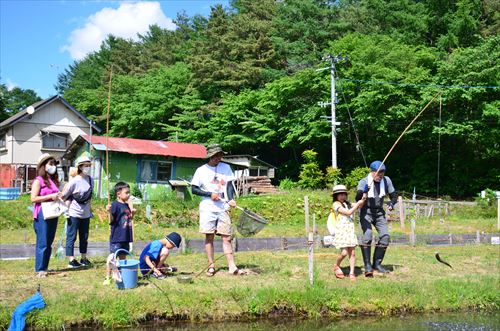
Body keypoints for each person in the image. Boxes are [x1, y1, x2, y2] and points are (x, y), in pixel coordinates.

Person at [191, 144, 243, 276]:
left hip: (223, 207)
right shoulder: (201, 170)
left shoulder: (226, 168)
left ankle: (232, 266)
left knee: (226, 237)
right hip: (208, 208)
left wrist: (230, 198)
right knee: (209, 237)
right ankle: (211, 266)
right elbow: (194, 189)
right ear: (210, 156)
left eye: (219, 155)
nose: (217, 158)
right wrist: (209, 194)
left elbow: (230, 185)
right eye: (215, 156)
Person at [355, 160, 398, 276]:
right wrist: (364, 190)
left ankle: (377, 265)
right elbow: (357, 198)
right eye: (379, 173)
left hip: (379, 213)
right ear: (372, 172)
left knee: (385, 237)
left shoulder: (386, 180)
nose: (381, 176)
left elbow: (394, 196)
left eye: (382, 173)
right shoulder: (364, 181)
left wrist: (391, 203)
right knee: (367, 236)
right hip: (366, 212)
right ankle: (368, 265)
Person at [30, 153, 62, 277]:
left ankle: (45, 267)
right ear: (43, 166)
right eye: (51, 164)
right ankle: (40, 269)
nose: (53, 166)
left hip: (53, 212)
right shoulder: (38, 180)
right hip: (42, 213)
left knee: (49, 241)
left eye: (54, 164)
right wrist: (50, 196)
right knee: (42, 242)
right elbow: (33, 198)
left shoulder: (53, 180)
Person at [61, 156, 94, 268]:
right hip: (74, 213)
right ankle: (71, 259)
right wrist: (66, 208)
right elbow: (64, 196)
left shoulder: (90, 180)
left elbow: (90, 197)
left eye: (89, 165)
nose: (88, 167)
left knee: (84, 237)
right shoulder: (74, 181)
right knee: (71, 236)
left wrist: (90, 210)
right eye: (86, 165)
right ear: (80, 167)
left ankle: (83, 258)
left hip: (86, 213)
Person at [331, 185, 365, 281]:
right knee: (345, 252)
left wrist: (363, 198)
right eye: (340, 194)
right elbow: (348, 212)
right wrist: (358, 204)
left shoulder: (347, 203)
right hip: (342, 231)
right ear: (336, 196)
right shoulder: (336, 204)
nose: (342, 196)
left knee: (352, 253)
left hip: (350, 230)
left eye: (344, 194)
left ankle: (352, 273)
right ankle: (336, 265)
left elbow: (360, 205)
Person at [103, 182, 135, 285]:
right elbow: (111, 220)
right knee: (112, 258)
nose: (128, 195)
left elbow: (129, 219)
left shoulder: (126, 205)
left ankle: (120, 275)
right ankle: (107, 277)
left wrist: (133, 213)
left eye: (129, 192)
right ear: (118, 194)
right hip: (117, 237)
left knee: (122, 258)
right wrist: (109, 212)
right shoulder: (115, 205)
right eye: (126, 193)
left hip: (125, 236)